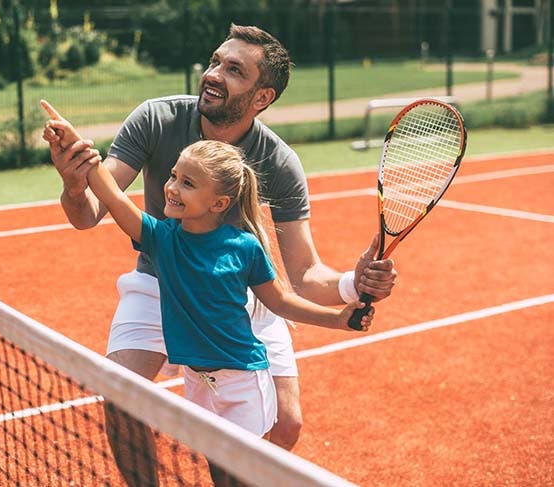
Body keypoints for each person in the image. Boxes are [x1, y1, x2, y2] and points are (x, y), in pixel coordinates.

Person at [42, 24, 396, 486]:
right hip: (160, 278)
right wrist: (73, 182)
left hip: (242, 290)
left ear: (262, 97)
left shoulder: (279, 161)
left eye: (233, 70)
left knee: (285, 426)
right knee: (121, 393)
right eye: (215, 62)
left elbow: (304, 274)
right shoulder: (156, 119)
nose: (214, 74)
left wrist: (354, 283)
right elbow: (89, 212)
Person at [84, 139, 372, 486]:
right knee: (218, 471)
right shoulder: (161, 238)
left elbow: (280, 301)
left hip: (243, 385)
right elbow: (114, 199)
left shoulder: (244, 248)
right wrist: (85, 157)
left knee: (242, 478)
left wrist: (338, 320)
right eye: (174, 176)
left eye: (188, 183)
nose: (172, 187)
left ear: (219, 203)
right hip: (198, 383)